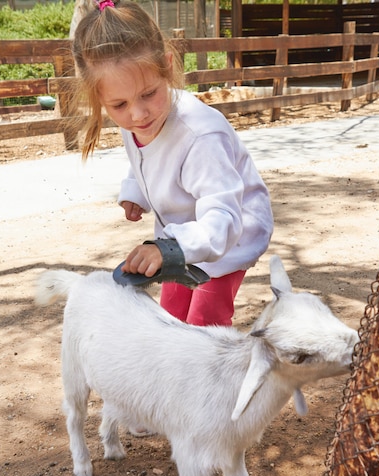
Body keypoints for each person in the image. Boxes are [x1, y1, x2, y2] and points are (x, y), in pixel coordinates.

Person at [72, 0, 273, 330]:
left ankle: (214, 380)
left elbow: (222, 216)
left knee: (203, 323)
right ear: (101, 99)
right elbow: (145, 160)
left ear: (166, 66)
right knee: (170, 319)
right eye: (119, 104)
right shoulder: (138, 124)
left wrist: (172, 248)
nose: (138, 114)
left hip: (229, 233)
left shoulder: (200, 135)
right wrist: (136, 190)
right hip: (180, 236)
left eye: (148, 93)